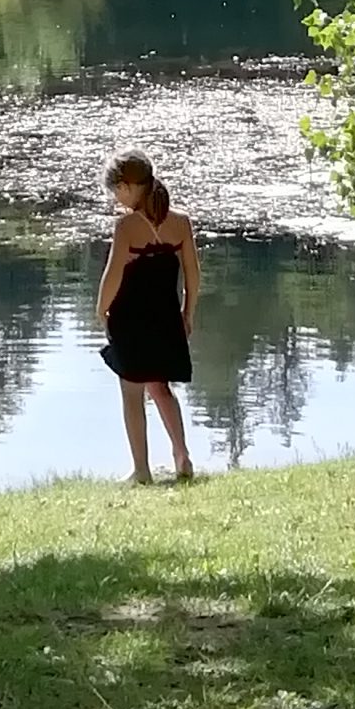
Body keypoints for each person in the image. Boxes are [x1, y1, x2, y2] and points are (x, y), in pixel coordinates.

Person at [96, 152, 200, 483]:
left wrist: (101, 310)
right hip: (166, 316)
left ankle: (141, 470)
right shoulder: (180, 222)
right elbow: (194, 275)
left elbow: (112, 276)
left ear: (127, 187)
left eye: (116, 190)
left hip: (131, 319)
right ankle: (181, 455)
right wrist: (188, 312)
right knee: (161, 387)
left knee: (131, 392)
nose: (115, 197)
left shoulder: (126, 226)